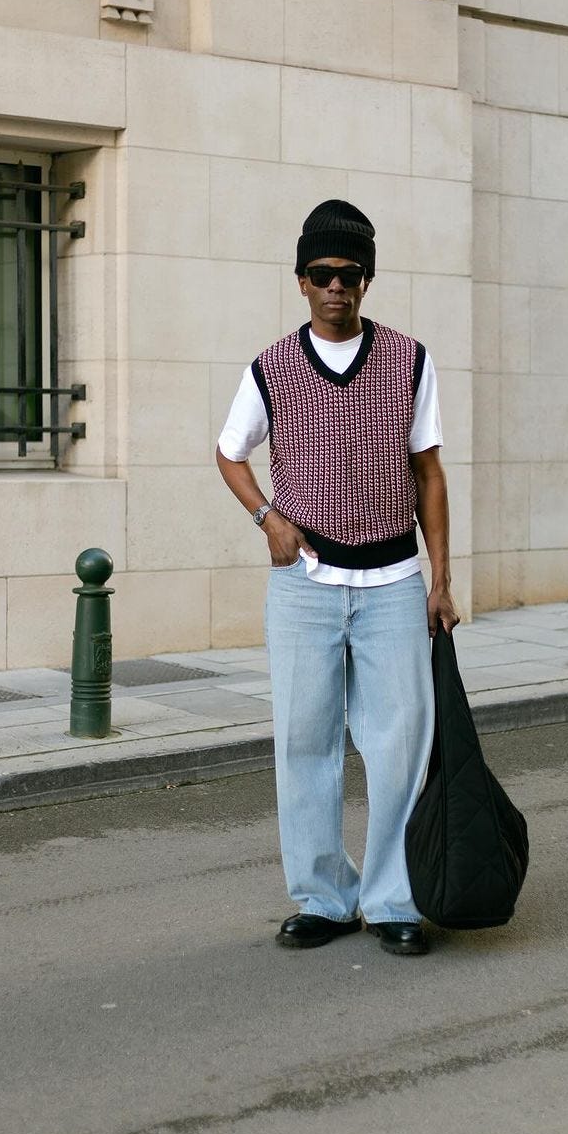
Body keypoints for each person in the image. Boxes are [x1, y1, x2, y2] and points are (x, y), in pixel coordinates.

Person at [216, 200, 459, 957]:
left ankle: (392, 899)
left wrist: (441, 580)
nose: (336, 287)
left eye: (350, 274)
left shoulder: (410, 360)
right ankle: (324, 896)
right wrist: (267, 519)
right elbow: (229, 452)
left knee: (399, 745)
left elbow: (430, 474)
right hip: (305, 585)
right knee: (305, 741)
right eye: (322, 274)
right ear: (300, 281)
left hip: (392, 580)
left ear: (367, 279)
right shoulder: (271, 368)